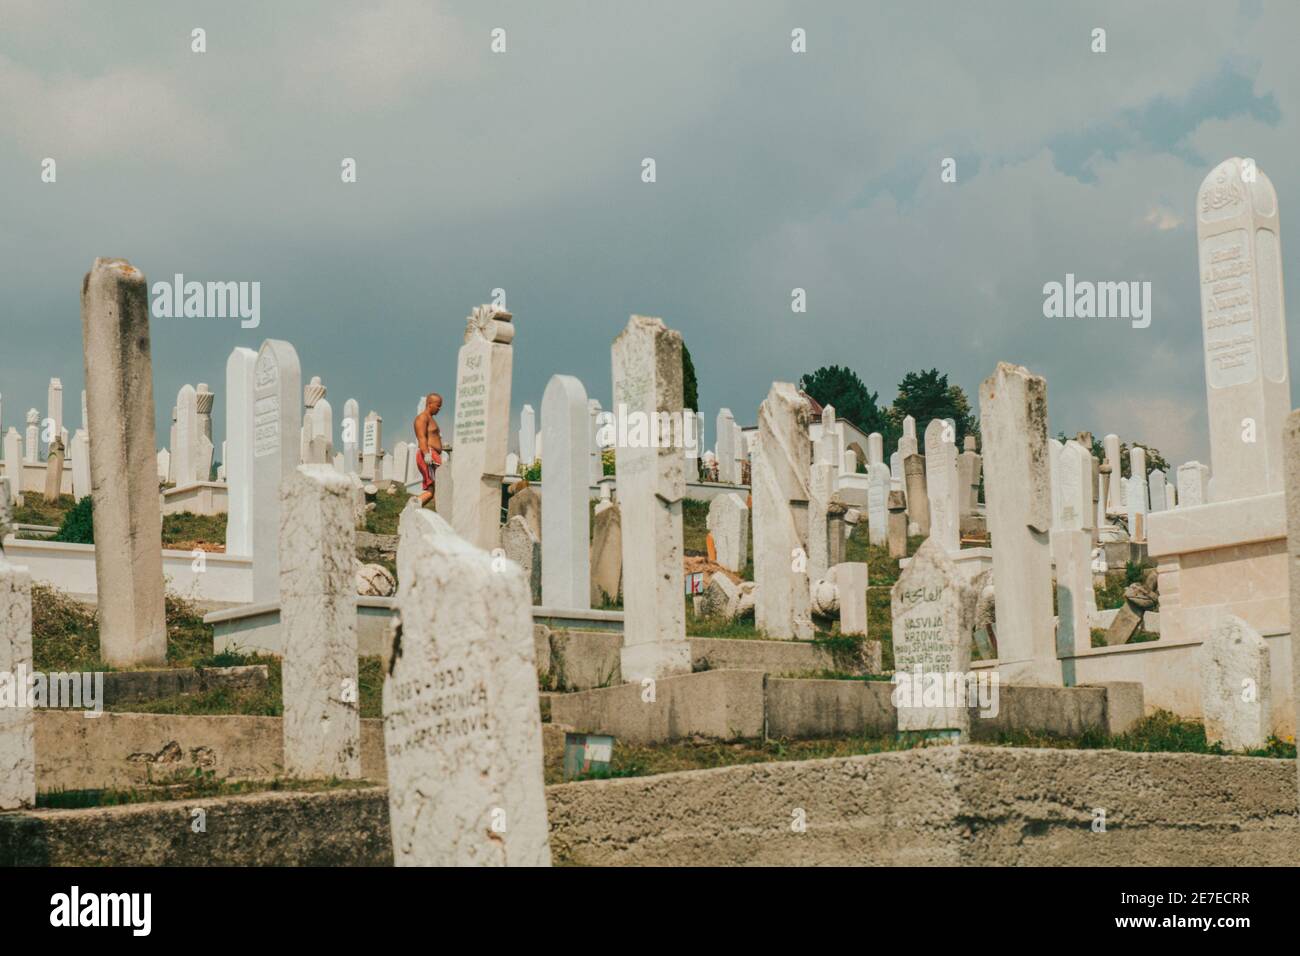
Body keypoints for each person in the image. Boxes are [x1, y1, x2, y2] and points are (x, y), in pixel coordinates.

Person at [414, 392, 443, 507]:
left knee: (436, 489)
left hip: (433, 454)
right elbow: (421, 437)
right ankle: (410, 508)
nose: (439, 409)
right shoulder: (422, 418)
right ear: (430, 404)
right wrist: (426, 454)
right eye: (438, 405)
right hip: (429, 454)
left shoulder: (431, 419)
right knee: (434, 489)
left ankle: (414, 508)